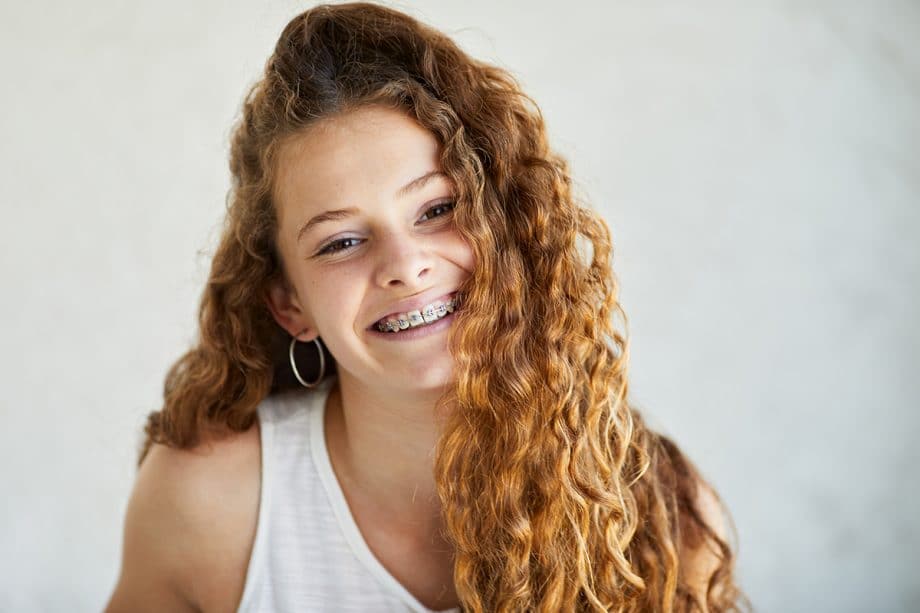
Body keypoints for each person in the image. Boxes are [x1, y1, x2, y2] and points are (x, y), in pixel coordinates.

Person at [105, 2, 748, 611]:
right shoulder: (207, 506)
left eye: (437, 210)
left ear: (512, 225)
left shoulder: (663, 514)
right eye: (341, 242)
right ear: (288, 304)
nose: (405, 266)